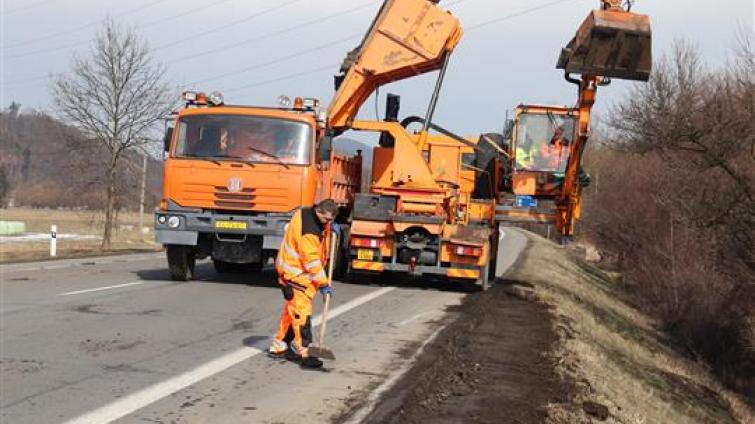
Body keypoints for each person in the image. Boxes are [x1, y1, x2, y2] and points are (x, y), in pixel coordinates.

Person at [268, 199, 338, 369]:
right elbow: (312, 261)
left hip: (294, 273)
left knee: (291, 313)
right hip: (297, 276)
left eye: (332, 220)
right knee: (302, 316)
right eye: (327, 220)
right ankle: (306, 353)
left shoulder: (306, 213)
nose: (329, 223)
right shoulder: (310, 233)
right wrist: (323, 284)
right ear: (319, 212)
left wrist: (328, 228)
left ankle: (279, 345)